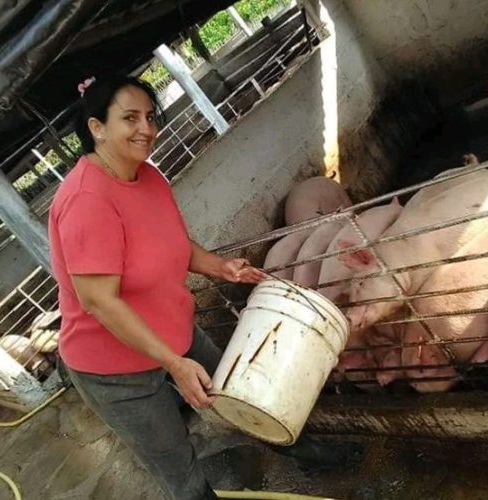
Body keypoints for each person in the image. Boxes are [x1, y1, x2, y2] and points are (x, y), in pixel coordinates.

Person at [49, 75, 360, 500]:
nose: (146, 129)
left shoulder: (147, 175)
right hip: (114, 366)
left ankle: (307, 452)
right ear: (96, 127)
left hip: (174, 330)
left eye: (150, 117)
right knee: (173, 456)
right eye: (130, 118)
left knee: (246, 391)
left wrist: (221, 268)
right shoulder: (85, 201)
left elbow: (171, 243)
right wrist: (172, 363)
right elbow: (99, 301)